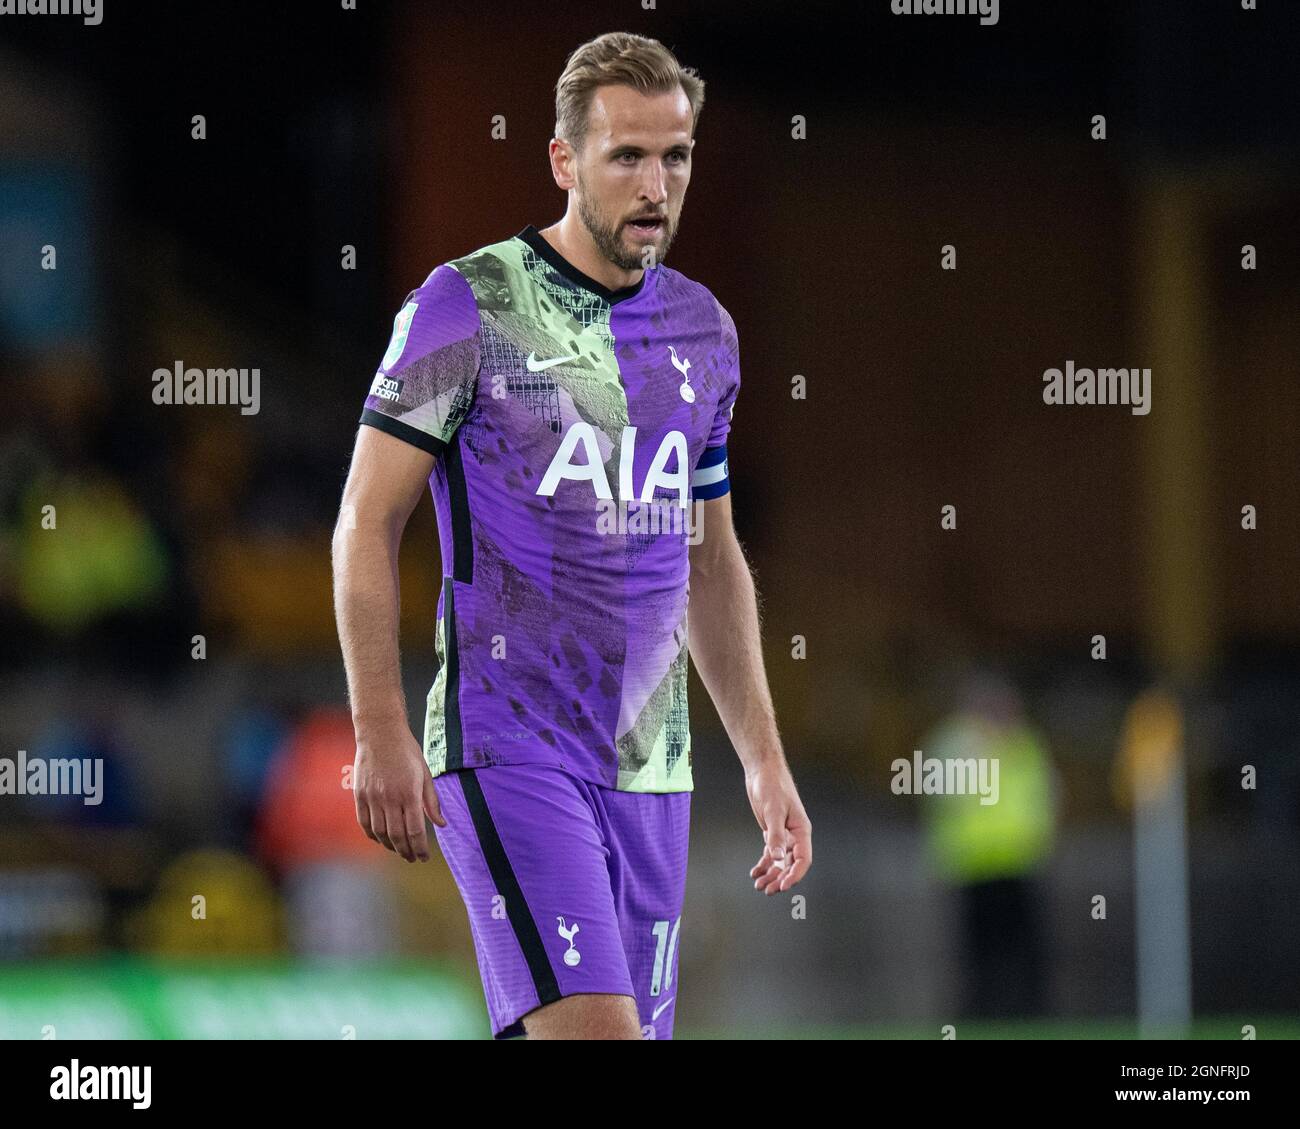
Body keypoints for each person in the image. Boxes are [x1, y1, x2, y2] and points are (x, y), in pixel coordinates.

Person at [332, 31, 810, 1040]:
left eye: (674, 155)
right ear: (563, 161)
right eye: (625, 155)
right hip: (510, 750)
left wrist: (762, 760)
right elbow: (368, 521)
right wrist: (377, 727)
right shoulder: (466, 306)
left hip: (652, 770)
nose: (655, 183)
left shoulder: (704, 333)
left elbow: (710, 563)